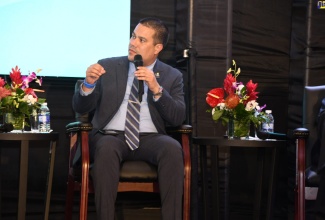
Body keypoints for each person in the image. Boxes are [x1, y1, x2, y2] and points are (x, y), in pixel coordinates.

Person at [72, 17, 186, 220]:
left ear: (157, 47)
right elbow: (81, 107)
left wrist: (157, 89)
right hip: (111, 135)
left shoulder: (172, 76)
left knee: (172, 148)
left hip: (150, 138)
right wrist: (87, 85)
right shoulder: (108, 66)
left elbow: (177, 117)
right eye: (133, 36)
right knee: (106, 147)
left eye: (142, 40)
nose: (133, 43)